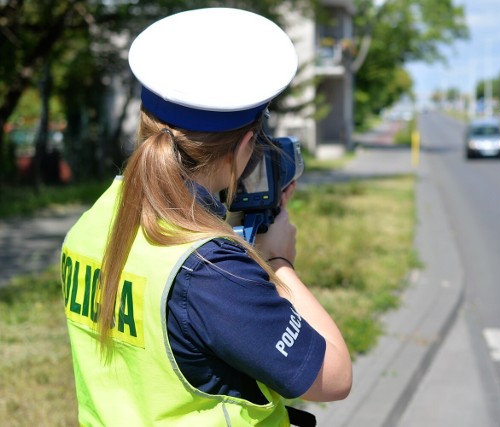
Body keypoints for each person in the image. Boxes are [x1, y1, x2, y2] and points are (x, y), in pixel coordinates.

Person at [60, 8, 352, 426]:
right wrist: (278, 262)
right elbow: (334, 376)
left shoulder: (94, 221)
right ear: (247, 143)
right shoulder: (211, 270)